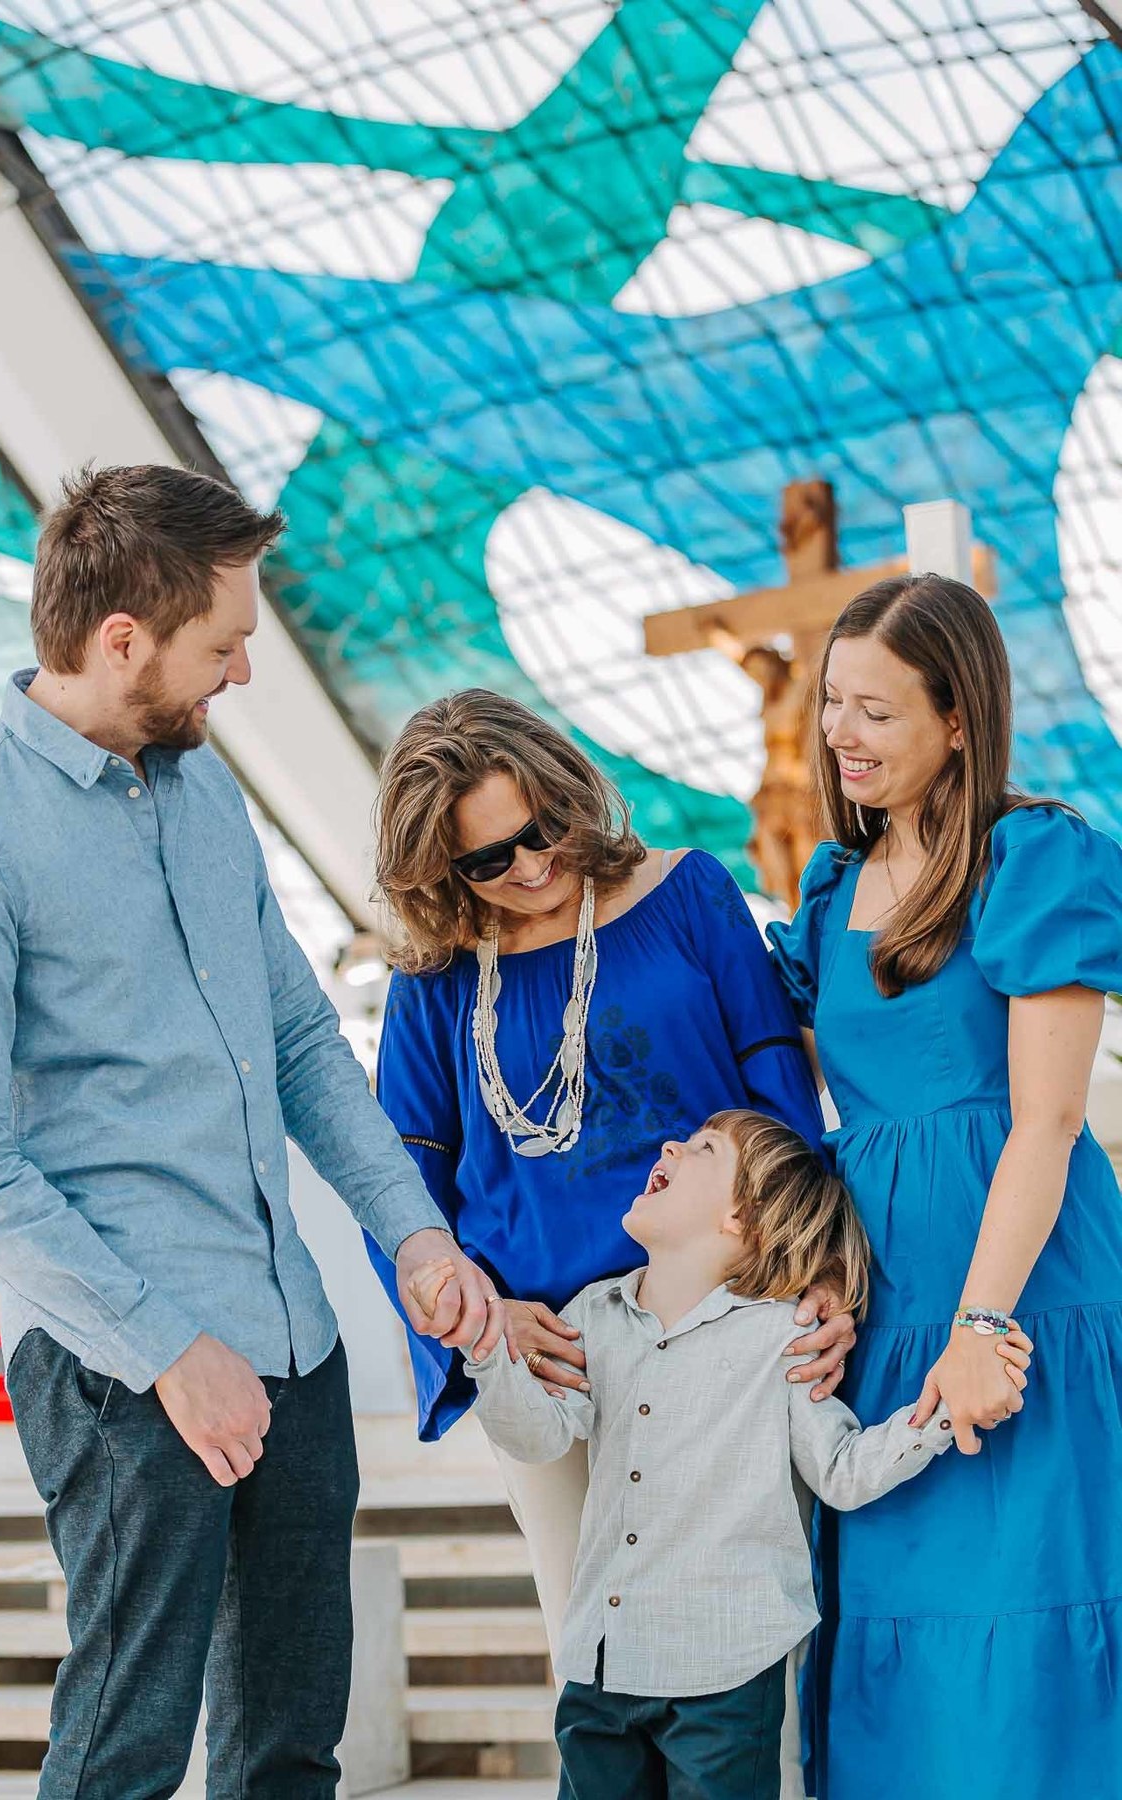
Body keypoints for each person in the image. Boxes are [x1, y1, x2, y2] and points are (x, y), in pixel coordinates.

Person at [0, 465, 498, 1799]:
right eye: (222, 647)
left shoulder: (207, 798)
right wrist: (170, 1352)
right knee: (122, 1754)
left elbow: (299, 1041)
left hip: (294, 1338)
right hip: (124, 1369)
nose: (242, 674)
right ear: (122, 638)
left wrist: (414, 1236)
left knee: (291, 1752)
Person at [368, 691, 857, 1654]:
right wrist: (478, 1316)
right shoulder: (433, 981)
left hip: (725, 1329)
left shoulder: (689, 892)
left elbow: (784, 1109)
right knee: (590, 1655)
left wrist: (821, 1271)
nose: (532, 865)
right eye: (490, 860)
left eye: (542, 829)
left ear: (566, 790)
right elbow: (396, 1188)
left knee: (761, 1643)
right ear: (439, 868)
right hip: (548, 1359)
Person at [766, 572, 1122, 1799]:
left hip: (1021, 1305)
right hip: (880, 1310)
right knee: (897, 1654)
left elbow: (1049, 1122)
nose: (841, 734)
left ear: (960, 717)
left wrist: (980, 1324)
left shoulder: (1034, 860)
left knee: (1029, 1637)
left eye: (877, 711)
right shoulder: (829, 889)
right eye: (833, 702)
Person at [408, 1110, 1031, 1800]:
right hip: (602, 1669)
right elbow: (542, 1437)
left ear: (742, 1219)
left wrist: (942, 1411)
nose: (669, 1144)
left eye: (703, 1147)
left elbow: (841, 1471)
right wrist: (486, 1349)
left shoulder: (785, 1337)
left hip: (725, 1676)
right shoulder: (592, 1314)